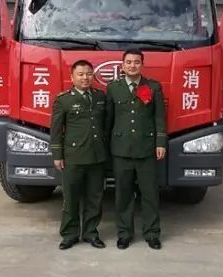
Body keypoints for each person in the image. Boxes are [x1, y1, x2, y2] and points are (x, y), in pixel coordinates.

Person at [105, 49, 166, 250]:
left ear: (142, 65)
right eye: (129, 62)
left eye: (137, 62)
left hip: (146, 149)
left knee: (150, 194)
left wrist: (160, 142)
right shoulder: (113, 88)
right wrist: (106, 147)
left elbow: (159, 117)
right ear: (122, 66)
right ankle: (124, 234)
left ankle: (152, 233)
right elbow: (108, 120)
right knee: (123, 195)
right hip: (121, 149)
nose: (132, 66)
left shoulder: (153, 87)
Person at [50, 60, 107, 250]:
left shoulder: (100, 97)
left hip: (97, 156)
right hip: (73, 157)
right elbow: (56, 129)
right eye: (81, 74)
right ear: (72, 77)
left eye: (89, 74)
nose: (85, 78)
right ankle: (69, 234)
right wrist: (57, 154)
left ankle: (91, 233)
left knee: (95, 198)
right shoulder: (64, 99)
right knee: (71, 198)